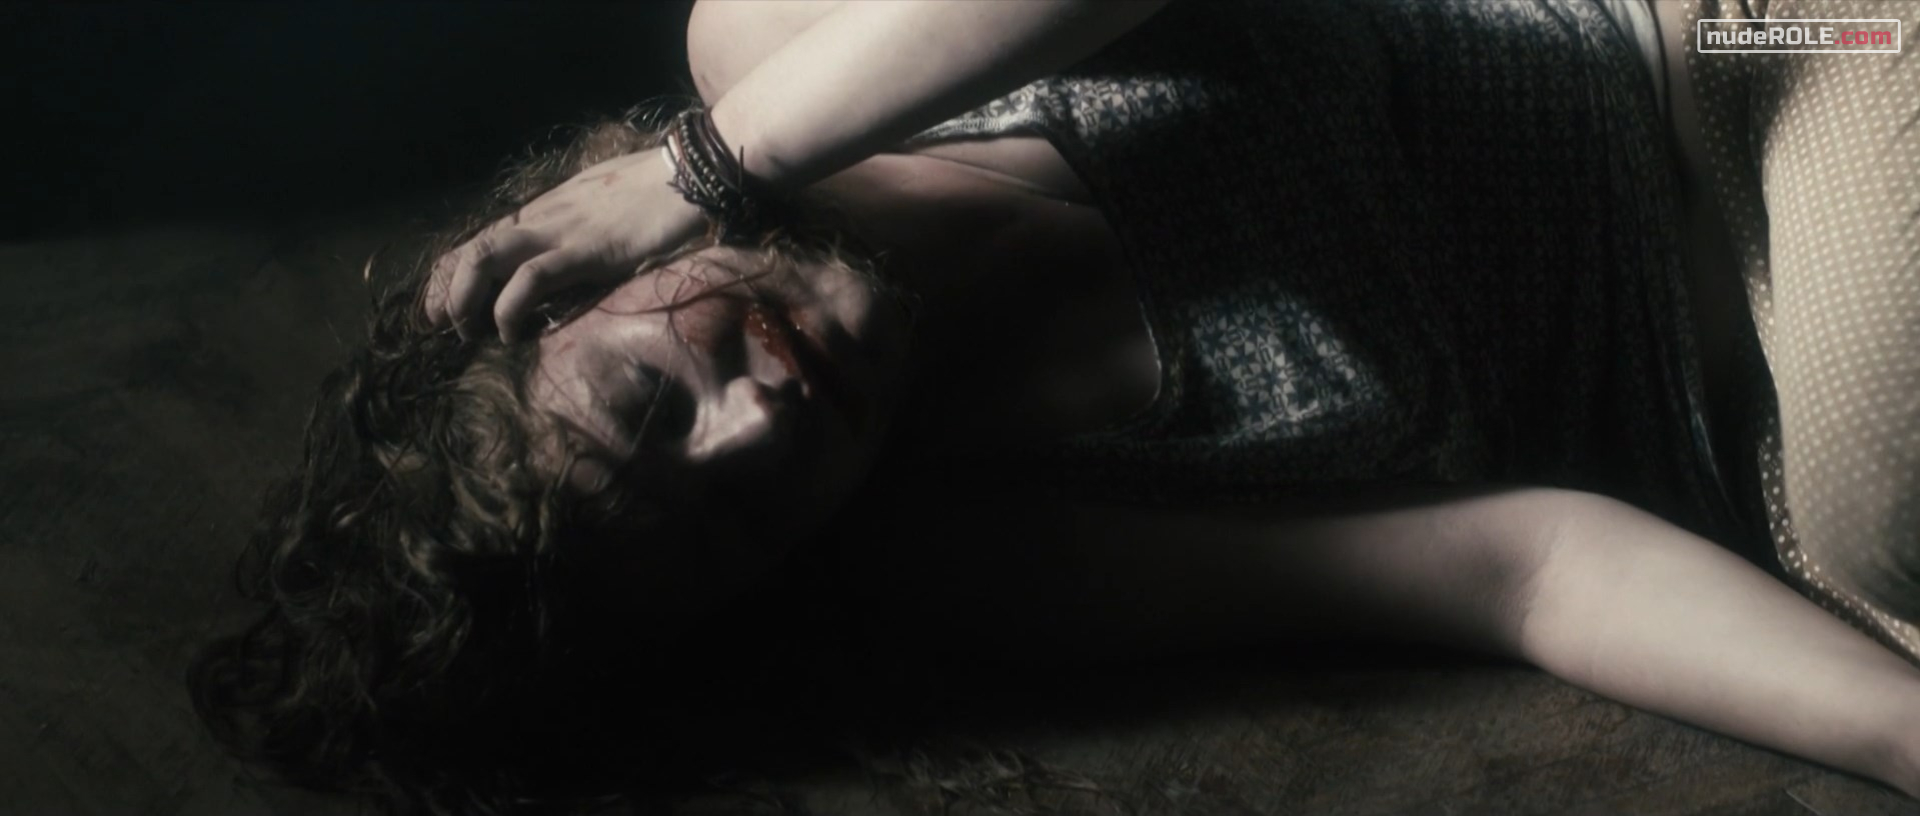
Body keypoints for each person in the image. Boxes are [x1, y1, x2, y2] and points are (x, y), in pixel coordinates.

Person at [191, 0, 1920, 812]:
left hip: (1751, 46)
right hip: (1763, 429)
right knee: (1875, 541)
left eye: (655, 400)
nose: (758, 431)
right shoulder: (1000, 540)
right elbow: (1524, 569)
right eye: (734, 518)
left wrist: (712, 162)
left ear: (563, 280)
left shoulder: (766, 55)